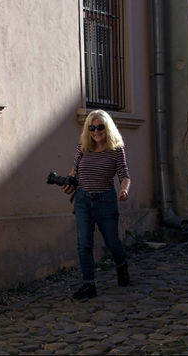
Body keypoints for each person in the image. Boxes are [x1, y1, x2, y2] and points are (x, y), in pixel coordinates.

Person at [61, 109, 131, 299]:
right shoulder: (83, 147)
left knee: (112, 242)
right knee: (83, 243)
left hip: (105, 200)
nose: (96, 131)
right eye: (91, 128)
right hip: (83, 199)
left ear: (107, 127)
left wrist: (124, 190)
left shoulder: (116, 149)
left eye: (100, 127)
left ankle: (121, 265)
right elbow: (75, 170)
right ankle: (88, 284)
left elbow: (124, 173)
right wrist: (68, 182)